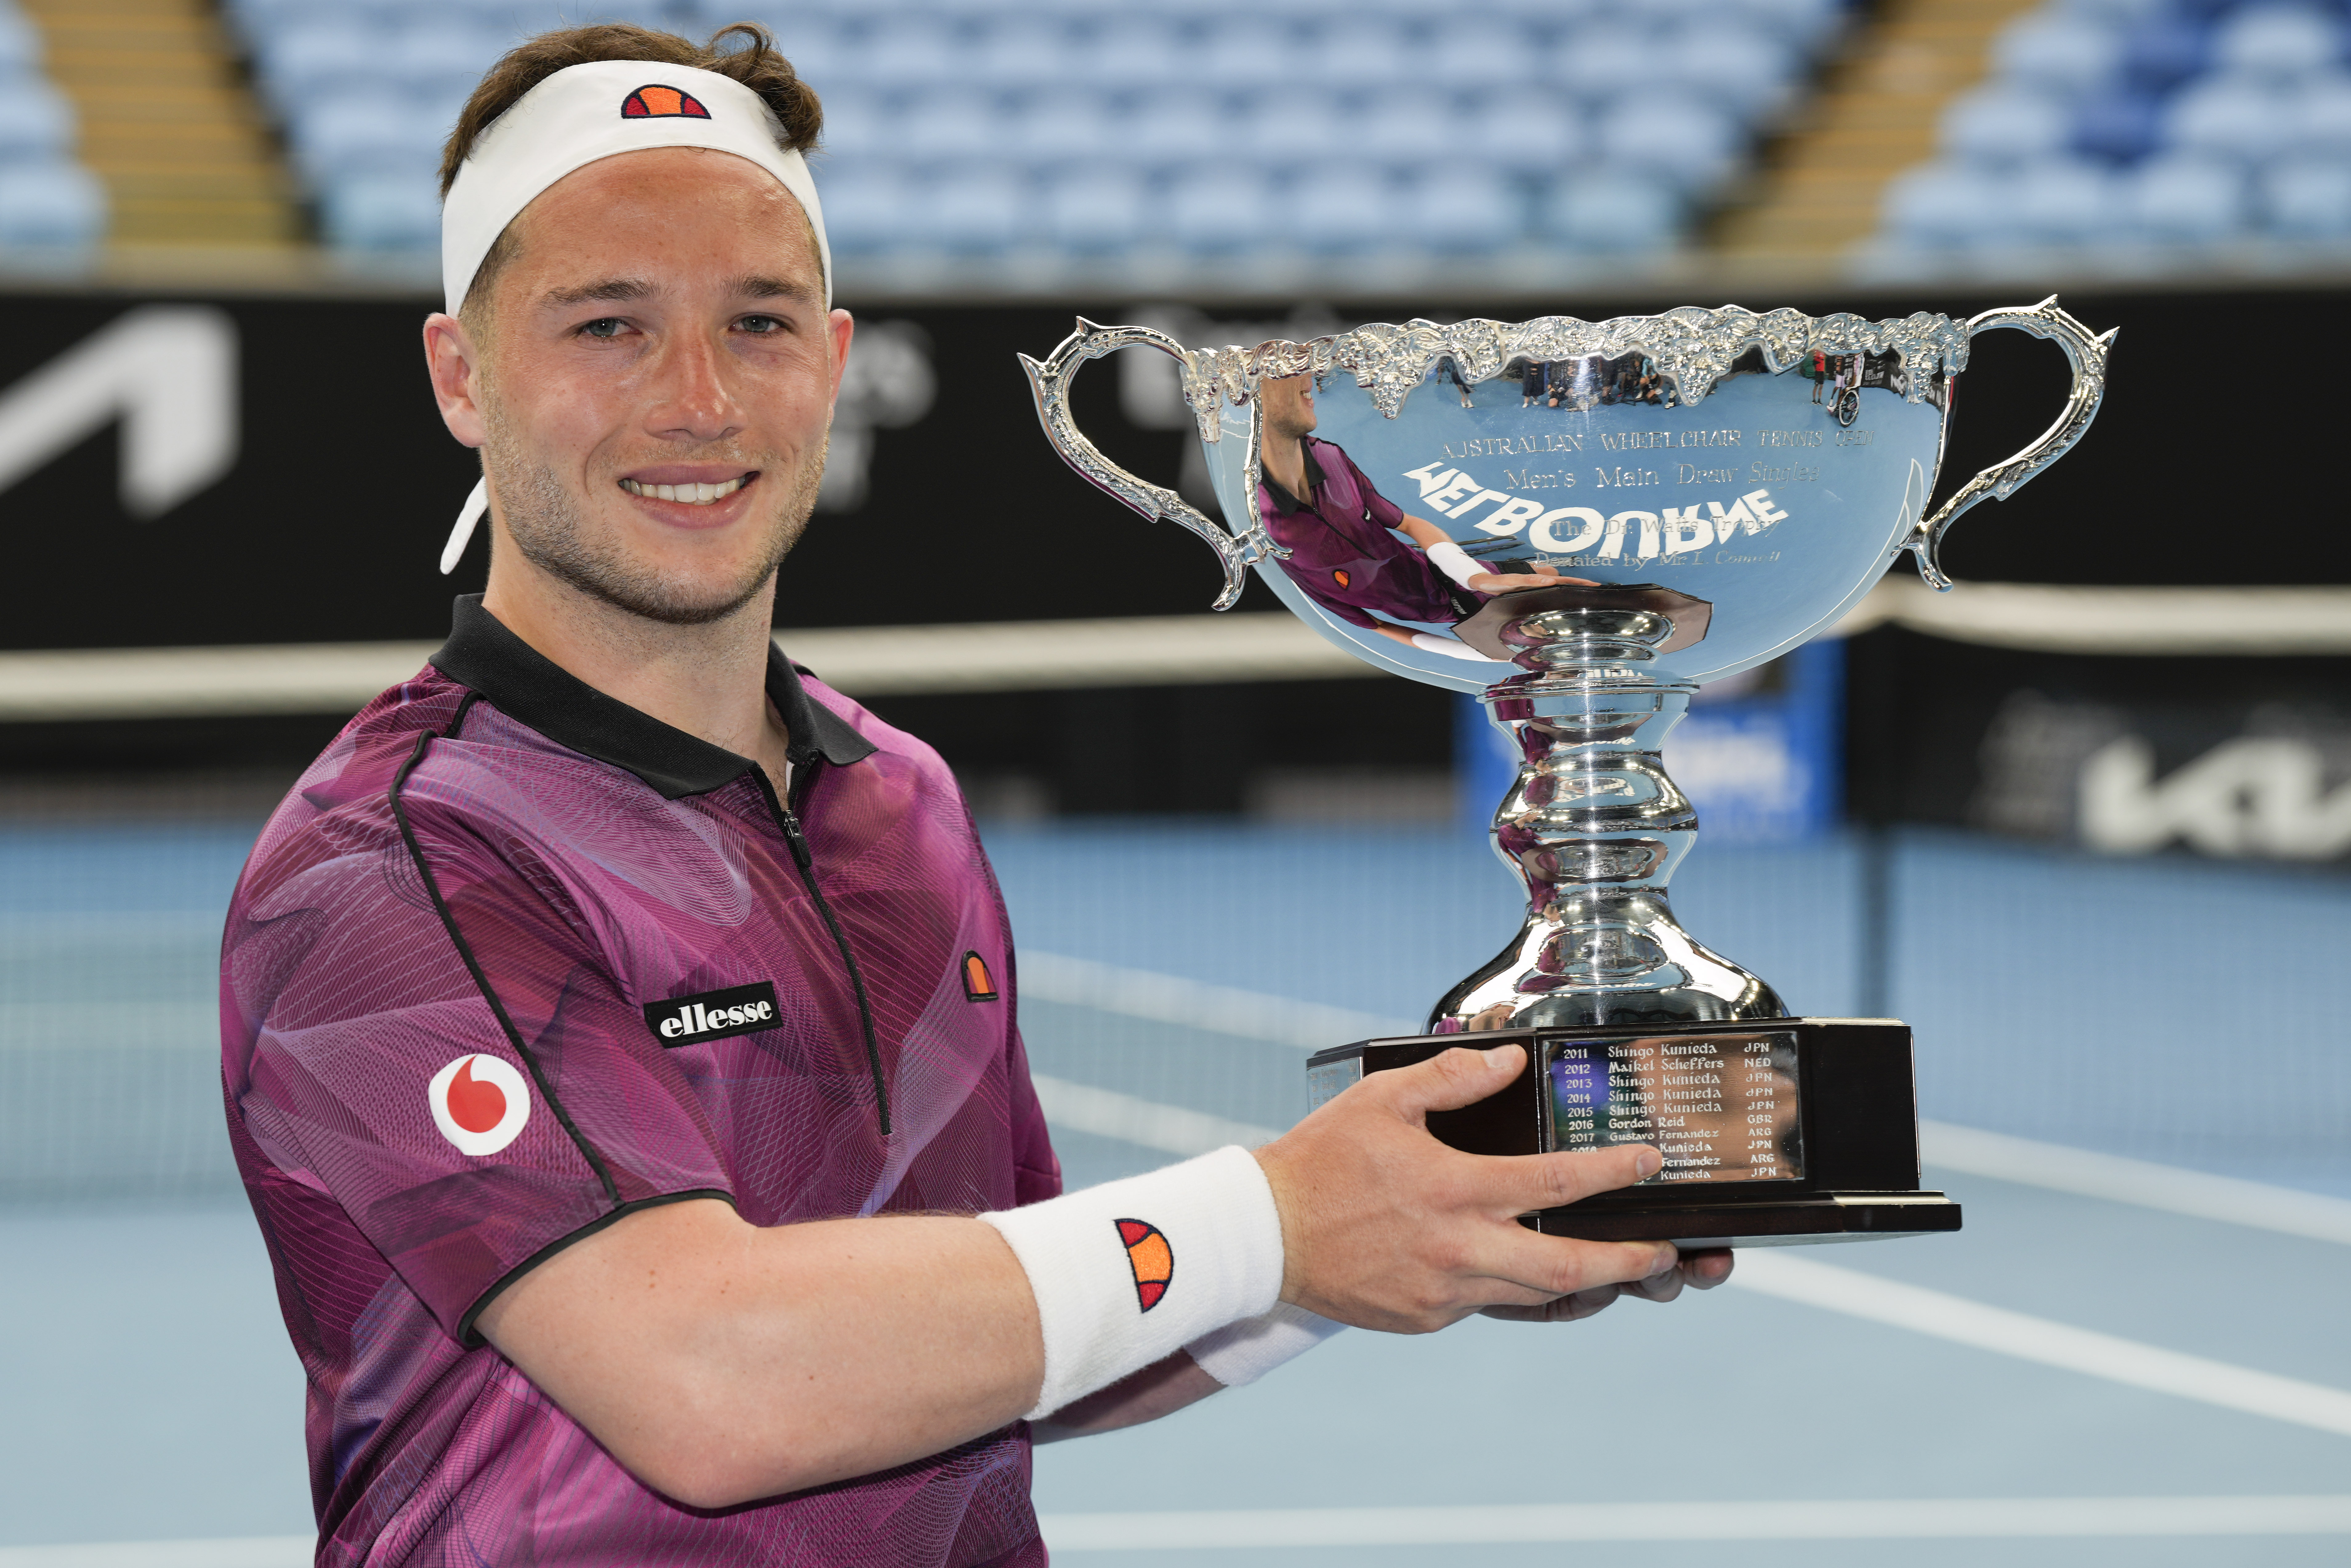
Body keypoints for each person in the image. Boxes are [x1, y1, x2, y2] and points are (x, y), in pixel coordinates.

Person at [219, 23, 1730, 1567]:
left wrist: (1429, 1206)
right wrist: (1275, 1216)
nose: (698, 400)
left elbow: (1016, 1328)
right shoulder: (385, 868)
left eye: (757, 322)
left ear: (834, 356)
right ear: (460, 375)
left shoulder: (903, 805)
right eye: (606, 326)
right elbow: (709, 1380)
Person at [1254, 374, 1565, 660]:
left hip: (1453, 572)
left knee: (1548, 573)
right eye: (1282, 373)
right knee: (1550, 590)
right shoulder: (1270, 533)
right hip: (1460, 602)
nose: (1308, 378)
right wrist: (1474, 655)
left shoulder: (1329, 456)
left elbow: (1408, 523)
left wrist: (1474, 577)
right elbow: (1376, 626)